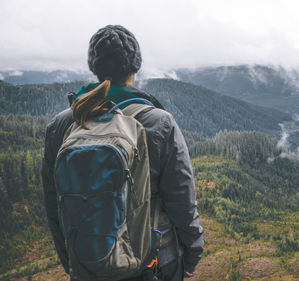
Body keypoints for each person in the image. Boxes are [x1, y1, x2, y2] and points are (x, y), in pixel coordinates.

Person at [42, 25, 204, 281]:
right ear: (135, 68)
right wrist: (193, 254)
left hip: (89, 262)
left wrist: (74, 262)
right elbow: (182, 200)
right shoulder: (158, 122)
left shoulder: (63, 124)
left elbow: (55, 205)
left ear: (94, 68)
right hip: (153, 263)